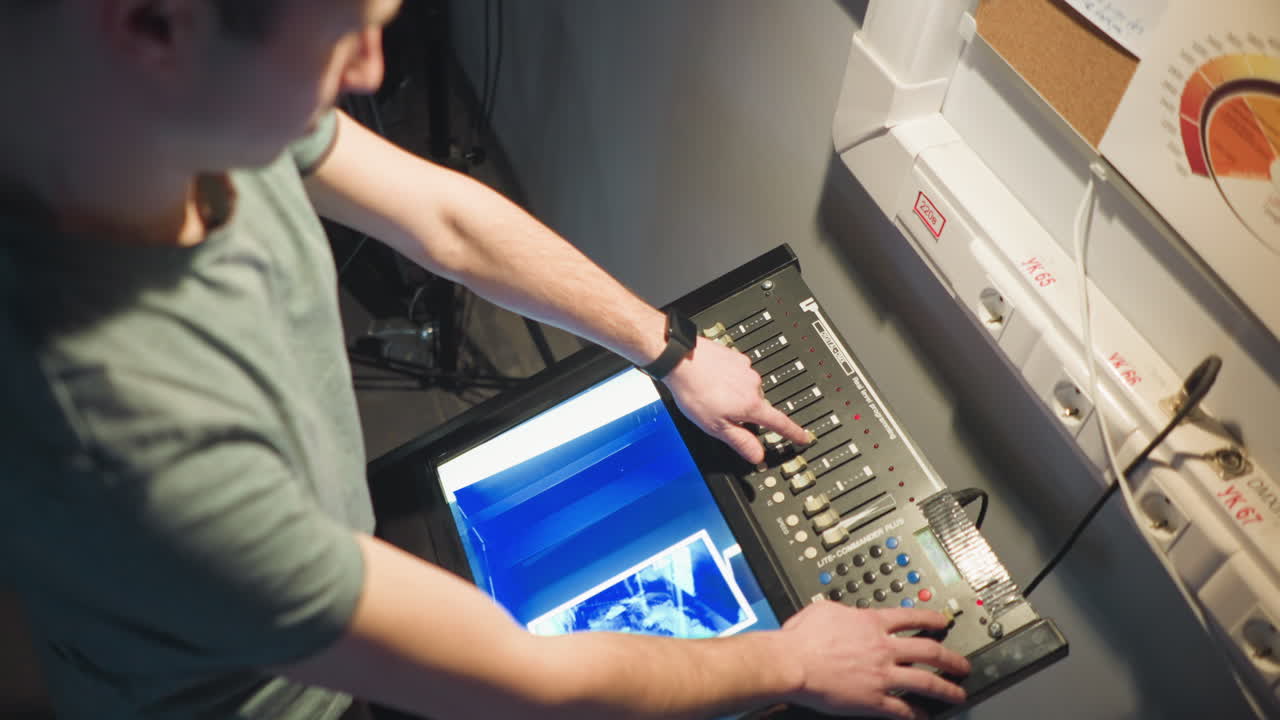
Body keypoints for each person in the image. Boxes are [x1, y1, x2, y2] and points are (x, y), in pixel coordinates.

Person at [0, 1, 971, 718]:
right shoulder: (125, 440)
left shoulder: (161, 109)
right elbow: (532, 683)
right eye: (344, 34)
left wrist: (667, 345)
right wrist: (789, 662)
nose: (373, 70)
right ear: (155, 25)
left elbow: (445, 221)